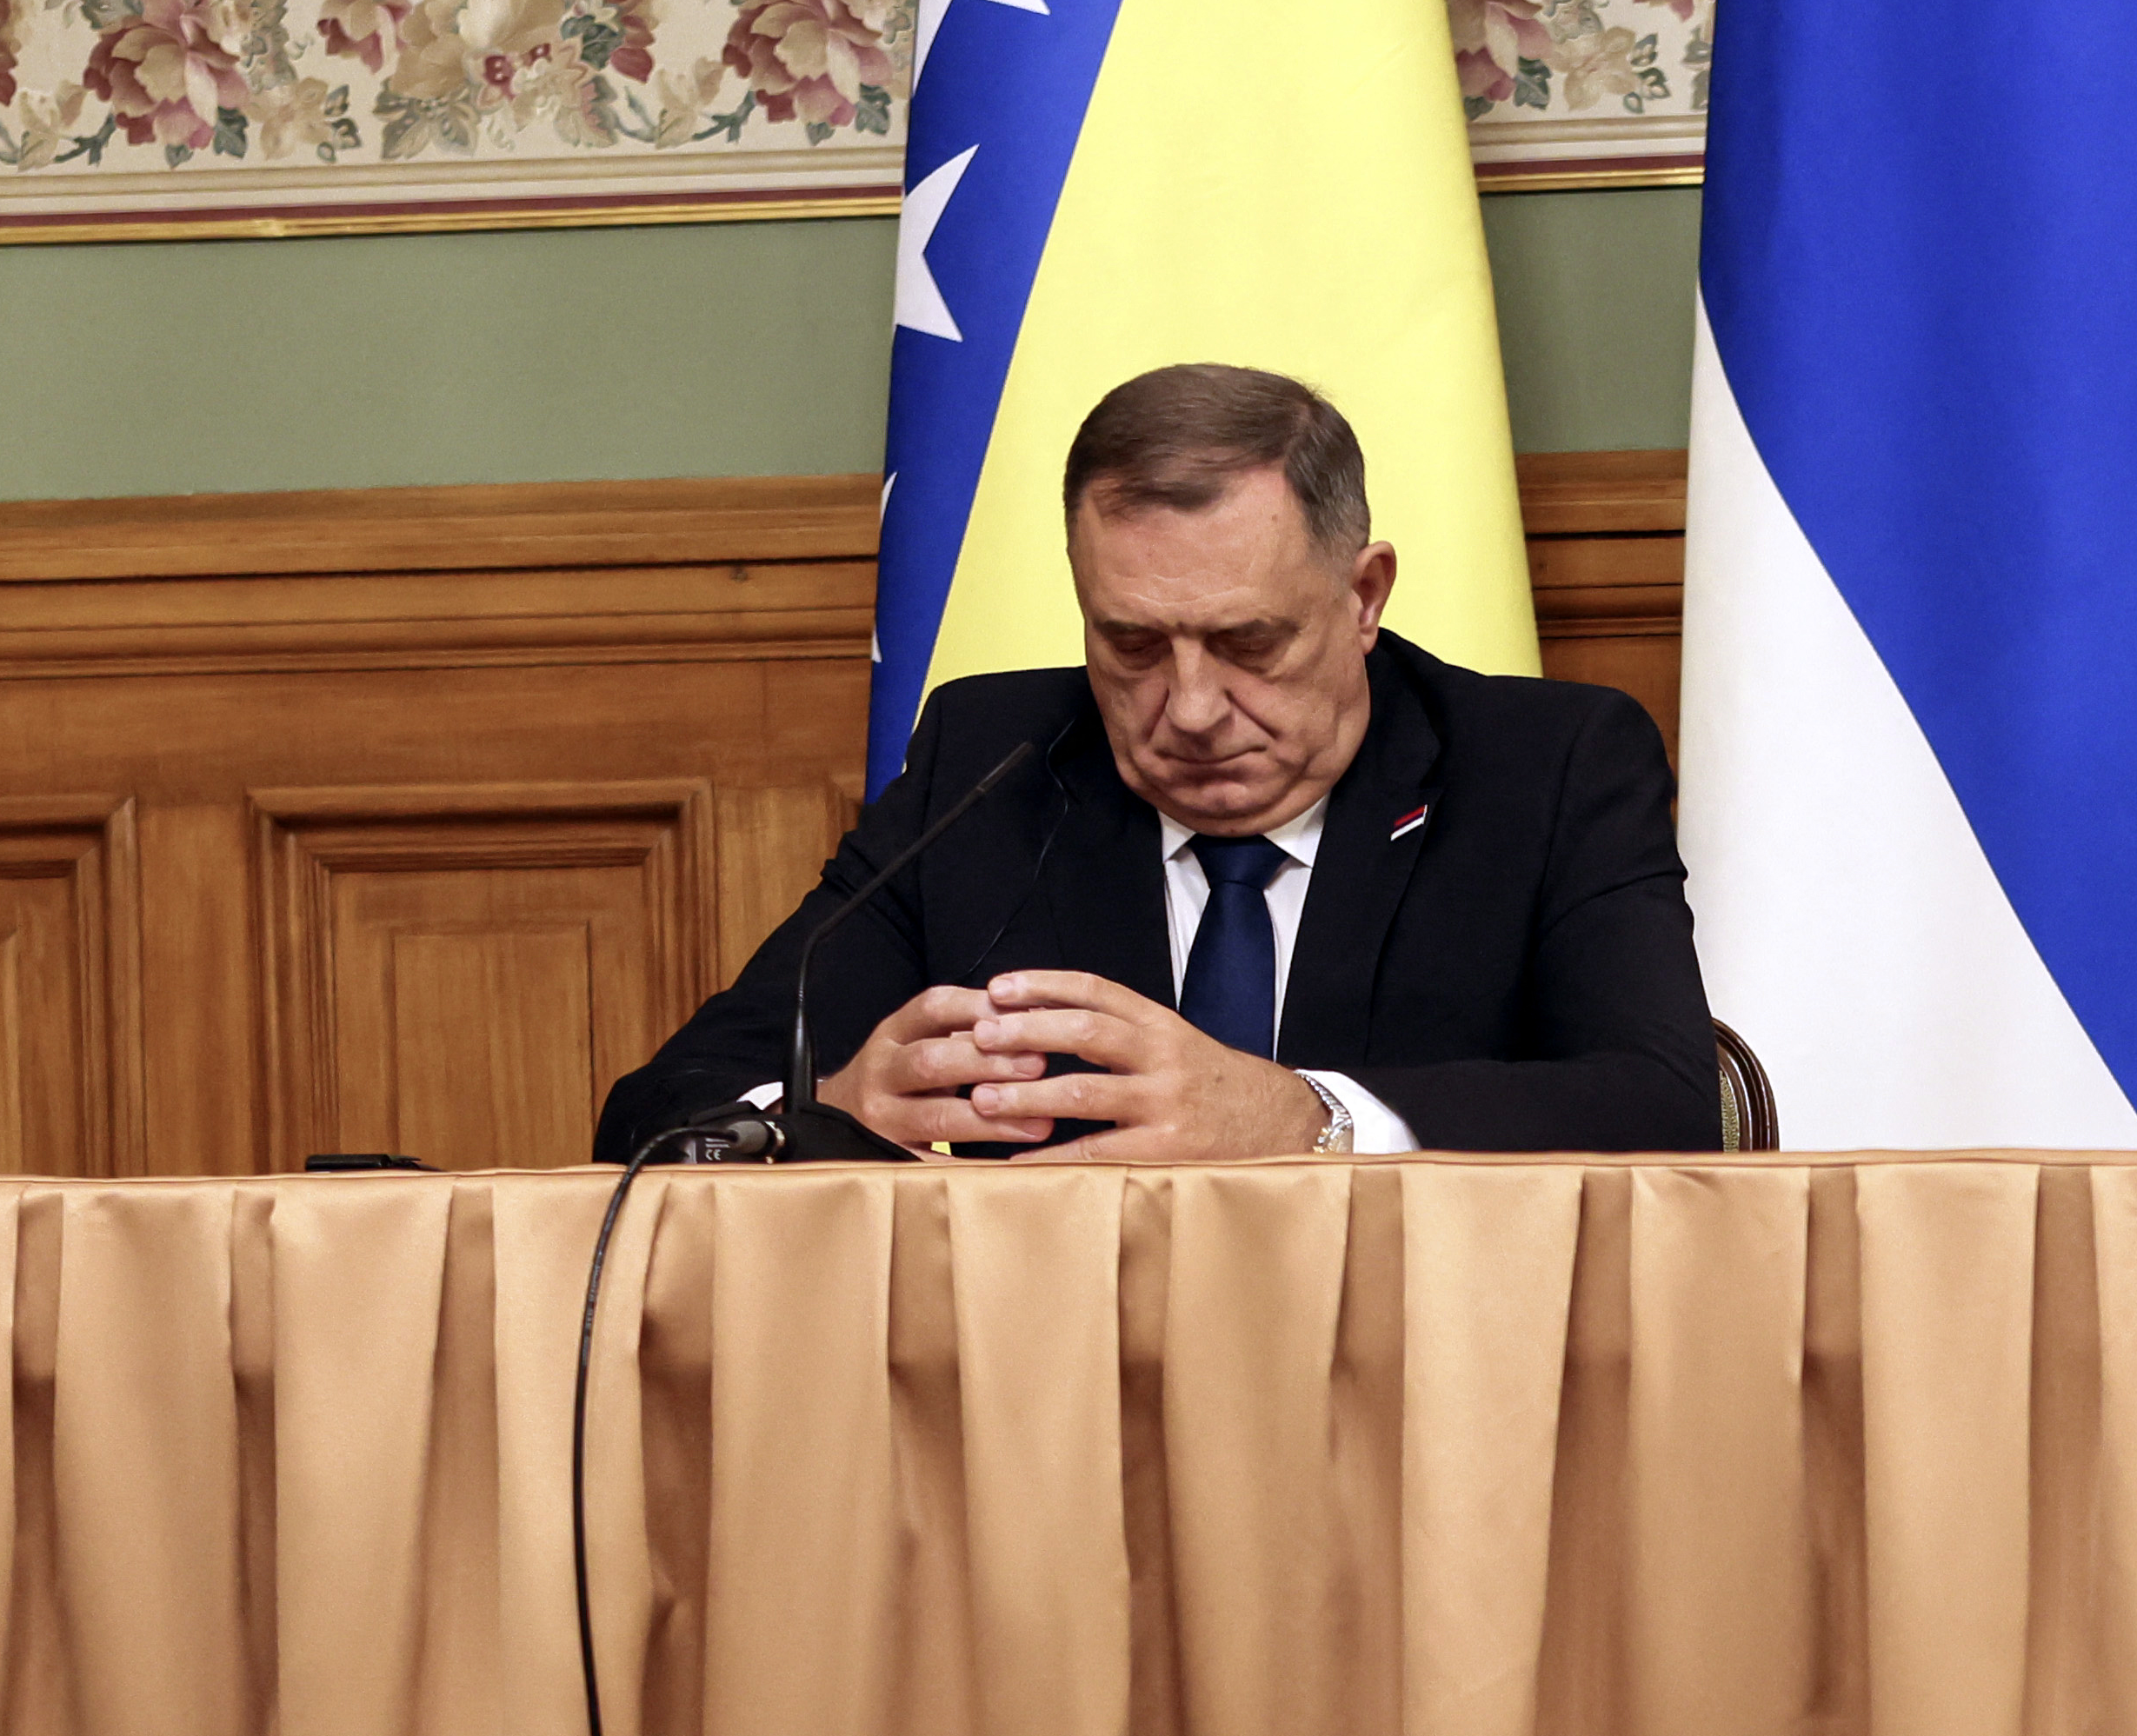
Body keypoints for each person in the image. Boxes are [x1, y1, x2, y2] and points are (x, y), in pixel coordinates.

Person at [597, 362, 1718, 1163]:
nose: (1186, 708)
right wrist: (822, 1111)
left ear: (1364, 596)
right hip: (1049, 1405)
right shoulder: (992, 765)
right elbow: (656, 1109)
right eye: (1131, 645)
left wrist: (1305, 1119)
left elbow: (1663, 1108)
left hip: (1423, 1385)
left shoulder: (1549, 766)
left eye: (1247, 644)